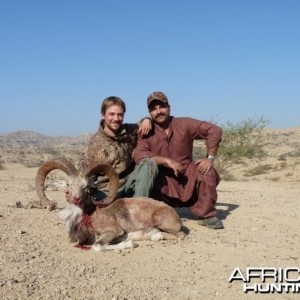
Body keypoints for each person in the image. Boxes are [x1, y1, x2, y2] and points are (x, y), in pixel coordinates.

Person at [133, 91, 224, 229]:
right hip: (163, 182)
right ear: (150, 113)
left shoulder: (184, 123)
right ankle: (153, 213)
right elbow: (139, 155)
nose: (158, 111)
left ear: (169, 107)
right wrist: (166, 160)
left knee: (207, 171)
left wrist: (209, 158)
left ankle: (206, 214)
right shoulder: (146, 131)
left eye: (162, 107)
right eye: (154, 109)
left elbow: (214, 130)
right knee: (147, 171)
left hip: (187, 176)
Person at [79, 96, 158, 200]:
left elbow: (146, 122)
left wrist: (147, 120)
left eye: (120, 115)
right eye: (111, 114)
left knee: (149, 164)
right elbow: (84, 177)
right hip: (106, 191)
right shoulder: (93, 146)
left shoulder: (130, 131)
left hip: (129, 185)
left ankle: (139, 208)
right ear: (103, 115)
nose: (116, 119)